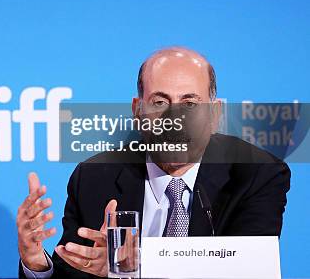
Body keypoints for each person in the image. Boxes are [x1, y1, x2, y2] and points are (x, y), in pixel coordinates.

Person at [17, 47, 291, 278]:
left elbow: (247, 270)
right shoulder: (94, 177)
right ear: (138, 111)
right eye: (159, 102)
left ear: (215, 114)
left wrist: (135, 268)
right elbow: (73, 272)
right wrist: (36, 263)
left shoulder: (255, 174)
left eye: (190, 104)